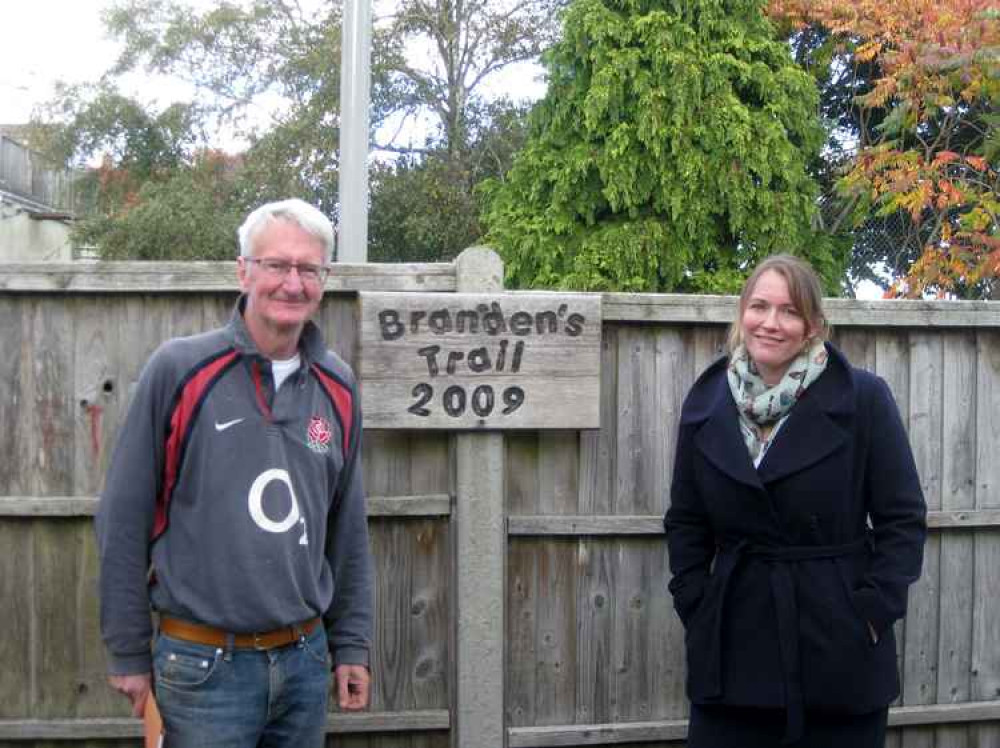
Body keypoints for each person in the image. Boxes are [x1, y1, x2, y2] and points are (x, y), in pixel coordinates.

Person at [96, 198, 374, 748]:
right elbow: (122, 519)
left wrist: (352, 644)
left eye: (308, 269)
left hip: (304, 661)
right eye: (276, 265)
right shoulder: (179, 370)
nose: (292, 283)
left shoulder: (338, 386)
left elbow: (347, 531)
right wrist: (128, 651)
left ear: (325, 280)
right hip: (201, 667)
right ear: (243, 270)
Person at [664, 254, 926, 747]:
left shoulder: (862, 399)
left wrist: (870, 613)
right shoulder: (706, 404)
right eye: (759, 306)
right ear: (742, 313)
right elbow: (686, 521)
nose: (771, 322)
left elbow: (902, 519)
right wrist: (698, 605)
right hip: (733, 647)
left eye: (788, 311)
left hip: (838, 649)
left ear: (812, 326)